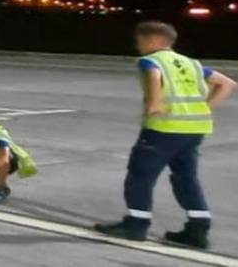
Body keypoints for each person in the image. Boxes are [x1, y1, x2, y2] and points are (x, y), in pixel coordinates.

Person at [96, 21, 234, 248]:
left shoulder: (151, 61)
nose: (137, 46)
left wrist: (154, 103)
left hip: (164, 129)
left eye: (139, 41)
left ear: (151, 40)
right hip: (194, 129)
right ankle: (198, 229)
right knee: (186, 177)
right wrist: (205, 106)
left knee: (140, 176)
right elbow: (227, 84)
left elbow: (153, 75)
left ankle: (136, 224)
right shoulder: (192, 63)